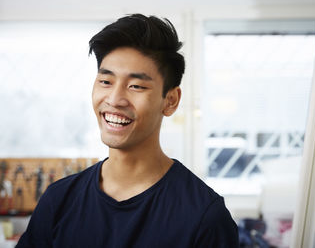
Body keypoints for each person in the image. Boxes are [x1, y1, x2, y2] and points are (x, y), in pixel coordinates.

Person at [16, 14, 239, 247]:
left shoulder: (204, 216)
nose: (114, 99)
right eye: (106, 82)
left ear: (170, 100)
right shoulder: (59, 200)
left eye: (136, 86)